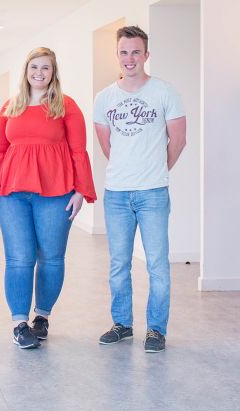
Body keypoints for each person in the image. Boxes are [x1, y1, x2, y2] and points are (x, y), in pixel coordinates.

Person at [0, 47, 96, 349]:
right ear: (26, 70)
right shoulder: (11, 106)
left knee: (51, 258)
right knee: (19, 259)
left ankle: (42, 316)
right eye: (34, 67)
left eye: (46, 68)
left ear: (53, 72)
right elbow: (0, 151)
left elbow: (78, 151)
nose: (39, 73)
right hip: (12, 193)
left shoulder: (66, 106)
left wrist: (81, 190)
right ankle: (19, 323)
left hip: (56, 192)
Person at [94, 26, 186, 353]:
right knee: (119, 264)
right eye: (124, 52)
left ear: (146, 55)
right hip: (117, 194)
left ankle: (156, 329)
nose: (130, 58)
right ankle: (122, 324)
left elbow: (178, 140)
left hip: (153, 194)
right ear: (117, 56)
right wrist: (129, 169)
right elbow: (109, 147)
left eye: (136, 52)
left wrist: (156, 170)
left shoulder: (165, 92)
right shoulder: (104, 98)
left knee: (157, 263)